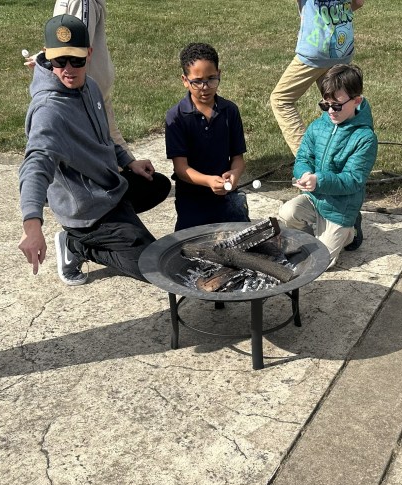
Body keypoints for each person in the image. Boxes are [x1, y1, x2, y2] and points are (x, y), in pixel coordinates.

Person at [18, 15, 170, 285]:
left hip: (108, 188)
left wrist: (128, 160)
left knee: (157, 185)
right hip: (87, 211)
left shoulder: (89, 86)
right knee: (157, 268)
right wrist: (32, 224)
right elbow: (35, 165)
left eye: (76, 60)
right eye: (59, 61)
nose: (68, 69)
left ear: (89, 54)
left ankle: (122, 228)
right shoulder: (48, 111)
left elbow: (103, 137)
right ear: (48, 57)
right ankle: (77, 244)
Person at [278, 64, 377, 269]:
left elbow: (353, 180)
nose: (330, 111)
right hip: (315, 198)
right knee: (287, 214)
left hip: (341, 207)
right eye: (325, 105)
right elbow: (304, 156)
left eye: (337, 106)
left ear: (356, 101)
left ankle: (351, 232)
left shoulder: (365, 138)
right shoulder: (318, 126)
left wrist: (319, 180)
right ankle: (319, 234)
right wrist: (304, 172)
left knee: (321, 262)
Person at [22, 1, 128, 152]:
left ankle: (126, 170)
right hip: (84, 78)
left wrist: (49, 59)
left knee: (99, 141)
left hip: (85, 81)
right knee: (108, 136)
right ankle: (130, 168)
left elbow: (78, 40)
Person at [165, 43, 249, 231]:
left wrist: (234, 175)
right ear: (185, 80)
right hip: (192, 200)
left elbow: (238, 159)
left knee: (243, 244)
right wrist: (209, 181)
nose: (205, 87)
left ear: (219, 74)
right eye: (197, 81)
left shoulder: (230, 111)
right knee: (189, 250)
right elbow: (181, 169)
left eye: (211, 79)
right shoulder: (176, 117)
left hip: (227, 196)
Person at [270, 0, 365, 157]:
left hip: (315, 50)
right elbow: (359, 2)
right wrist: (336, 15)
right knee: (342, 104)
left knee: (281, 100)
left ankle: (307, 159)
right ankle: (351, 157)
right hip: (343, 48)